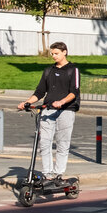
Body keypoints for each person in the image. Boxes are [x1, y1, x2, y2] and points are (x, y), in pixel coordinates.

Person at [18, 42, 80, 183]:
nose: (53, 56)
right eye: (52, 53)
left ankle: (58, 173)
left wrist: (61, 102)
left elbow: (74, 92)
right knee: (44, 143)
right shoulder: (48, 71)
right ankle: (47, 174)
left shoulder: (73, 70)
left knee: (62, 143)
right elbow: (40, 92)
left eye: (56, 53)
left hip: (66, 110)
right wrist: (27, 102)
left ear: (64, 52)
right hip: (47, 110)